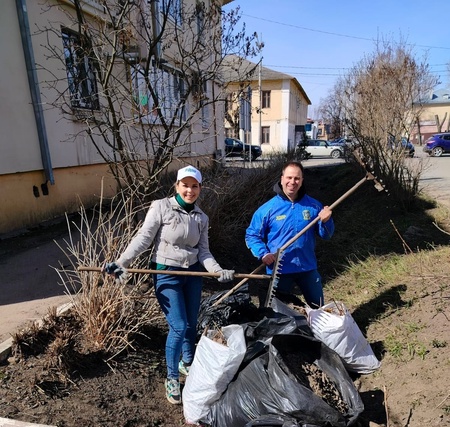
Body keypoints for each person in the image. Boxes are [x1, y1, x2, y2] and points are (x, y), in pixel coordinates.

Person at [103, 165, 235, 404]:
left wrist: (218, 271)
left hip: (192, 275)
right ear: (177, 186)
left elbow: (203, 251)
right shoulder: (161, 207)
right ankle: (172, 377)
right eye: (185, 185)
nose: (190, 190)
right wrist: (122, 261)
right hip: (166, 273)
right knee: (179, 326)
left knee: (191, 323)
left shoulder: (201, 218)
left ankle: (188, 363)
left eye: (194, 186)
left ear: (200, 189)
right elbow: (144, 238)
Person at [245, 160, 334, 308]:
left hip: (307, 268)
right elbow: (251, 235)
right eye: (289, 177)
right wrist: (263, 254)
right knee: (277, 315)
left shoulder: (314, 206)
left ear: (302, 181)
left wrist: (326, 221)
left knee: (319, 310)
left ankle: (315, 331)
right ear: (282, 179)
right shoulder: (268, 209)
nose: (292, 182)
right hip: (279, 270)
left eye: (297, 178)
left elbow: (327, 235)